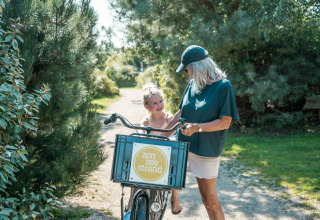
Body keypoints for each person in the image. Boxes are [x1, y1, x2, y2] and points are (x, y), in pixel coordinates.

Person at [163, 45, 239, 220]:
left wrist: (197, 127)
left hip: (205, 149)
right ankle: (174, 199)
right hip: (182, 144)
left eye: (187, 69)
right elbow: (181, 113)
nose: (187, 73)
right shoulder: (192, 84)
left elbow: (225, 122)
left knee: (209, 201)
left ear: (197, 67)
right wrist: (162, 135)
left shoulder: (223, 87)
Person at [125, 83, 182, 217]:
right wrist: (141, 134)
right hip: (149, 155)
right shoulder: (146, 121)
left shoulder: (168, 118)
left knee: (175, 167)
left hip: (165, 156)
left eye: (160, 101)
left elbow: (175, 125)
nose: (159, 105)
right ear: (147, 107)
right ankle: (130, 200)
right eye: (154, 103)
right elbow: (141, 132)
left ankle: (175, 197)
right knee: (136, 172)